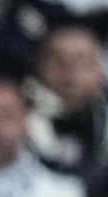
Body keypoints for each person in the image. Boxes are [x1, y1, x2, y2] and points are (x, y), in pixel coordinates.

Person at [25, 23, 108, 183]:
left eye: (82, 60)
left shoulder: (102, 115)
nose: (71, 71)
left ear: (99, 68)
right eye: (58, 60)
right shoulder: (15, 114)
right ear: (37, 65)